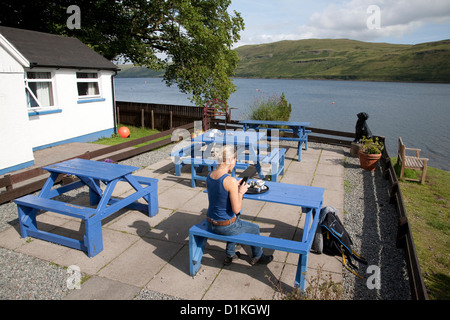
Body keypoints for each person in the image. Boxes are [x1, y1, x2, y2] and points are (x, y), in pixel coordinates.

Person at [206, 144, 273, 266]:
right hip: (224, 228)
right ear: (230, 160)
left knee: (234, 220)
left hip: (210, 223)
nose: (235, 163)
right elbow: (237, 209)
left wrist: (233, 186)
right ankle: (258, 256)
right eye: (235, 160)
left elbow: (218, 196)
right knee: (254, 228)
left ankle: (230, 254)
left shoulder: (210, 175)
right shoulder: (230, 181)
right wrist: (240, 192)